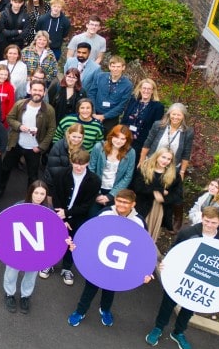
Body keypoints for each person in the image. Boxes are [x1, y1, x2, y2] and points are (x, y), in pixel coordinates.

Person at [146, 206, 219, 349]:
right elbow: (174, 249)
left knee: (190, 307)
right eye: (206, 221)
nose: (209, 225)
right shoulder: (188, 232)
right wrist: (165, 262)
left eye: (213, 223)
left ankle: (178, 332)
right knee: (167, 304)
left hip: (202, 280)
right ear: (202, 218)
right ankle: (158, 328)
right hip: (180, 276)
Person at [68, 189, 152, 328]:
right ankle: (80, 311)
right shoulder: (105, 213)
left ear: (133, 204)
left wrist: (145, 270)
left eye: (126, 202)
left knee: (111, 287)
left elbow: (143, 247)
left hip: (120, 263)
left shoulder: (139, 221)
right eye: (119, 201)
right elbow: (91, 232)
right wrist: (78, 247)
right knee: (90, 286)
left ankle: (105, 310)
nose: (121, 205)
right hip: (99, 258)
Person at [0, 180, 52, 314]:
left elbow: (52, 233)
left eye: (42, 193)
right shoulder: (18, 206)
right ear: (31, 192)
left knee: (31, 274)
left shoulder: (49, 211)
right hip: (16, 248)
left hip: (36, 250)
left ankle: (25, 296)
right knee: (11, 272)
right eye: (36, 192)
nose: (39, 196)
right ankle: (9, 294)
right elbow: (5, 226)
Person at [52, 148, 99, 285]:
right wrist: (62, 217)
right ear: (71, 162)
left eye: (82, 164)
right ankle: (50, 263)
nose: (78, 167)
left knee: (73, 241)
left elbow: (87, 205)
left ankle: (66, 268)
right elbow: (56, 197)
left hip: (79, 217)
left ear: (88, 163)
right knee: (55, 239)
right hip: (59, 214)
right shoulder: (61, 174)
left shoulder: (94, 181)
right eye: (75, 163)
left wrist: (67, 214)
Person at [131, 148, 183, 241]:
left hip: (159, 209)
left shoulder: (174, 175)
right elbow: (137, 187)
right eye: (163, 157)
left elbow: (178, 195)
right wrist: (158, 191)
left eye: (168, 159)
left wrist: (164, 199)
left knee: (150, 235)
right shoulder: (144, 168)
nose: (165, 161)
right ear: (157, 156)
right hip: (141, 206)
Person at [89, 125, 137, 212]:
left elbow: (128, 176)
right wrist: (97, 193)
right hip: (96, 188)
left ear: (127, 140)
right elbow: (91, 169)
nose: (119, 141)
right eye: (117, 137)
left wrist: (111, 196)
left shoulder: (131, 152)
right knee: (92, 217)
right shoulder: (99, 147)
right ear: (111, 136)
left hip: (116, 191)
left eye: (123, 139)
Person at [141, 103, 194, 179]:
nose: (175, 117)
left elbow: (186, 153)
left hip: (170, 169)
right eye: (173, 114)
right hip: (151, 164)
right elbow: (147, 143)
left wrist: (182, 172)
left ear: (183, 116)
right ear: (169, 114)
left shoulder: (188, 132)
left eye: (179, 115)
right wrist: (142, 160)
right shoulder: (158, 125)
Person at [85, 56, 133, 132]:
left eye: (118, 67)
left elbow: (122, 105)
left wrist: (104, 116)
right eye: (113, 66)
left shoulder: (127, 85)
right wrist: (93, 112)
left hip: (111, 117)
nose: (115, 69)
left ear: (123, 68)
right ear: (109, 66)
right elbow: (91, 93)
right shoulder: (100, 77)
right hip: (94, 113)